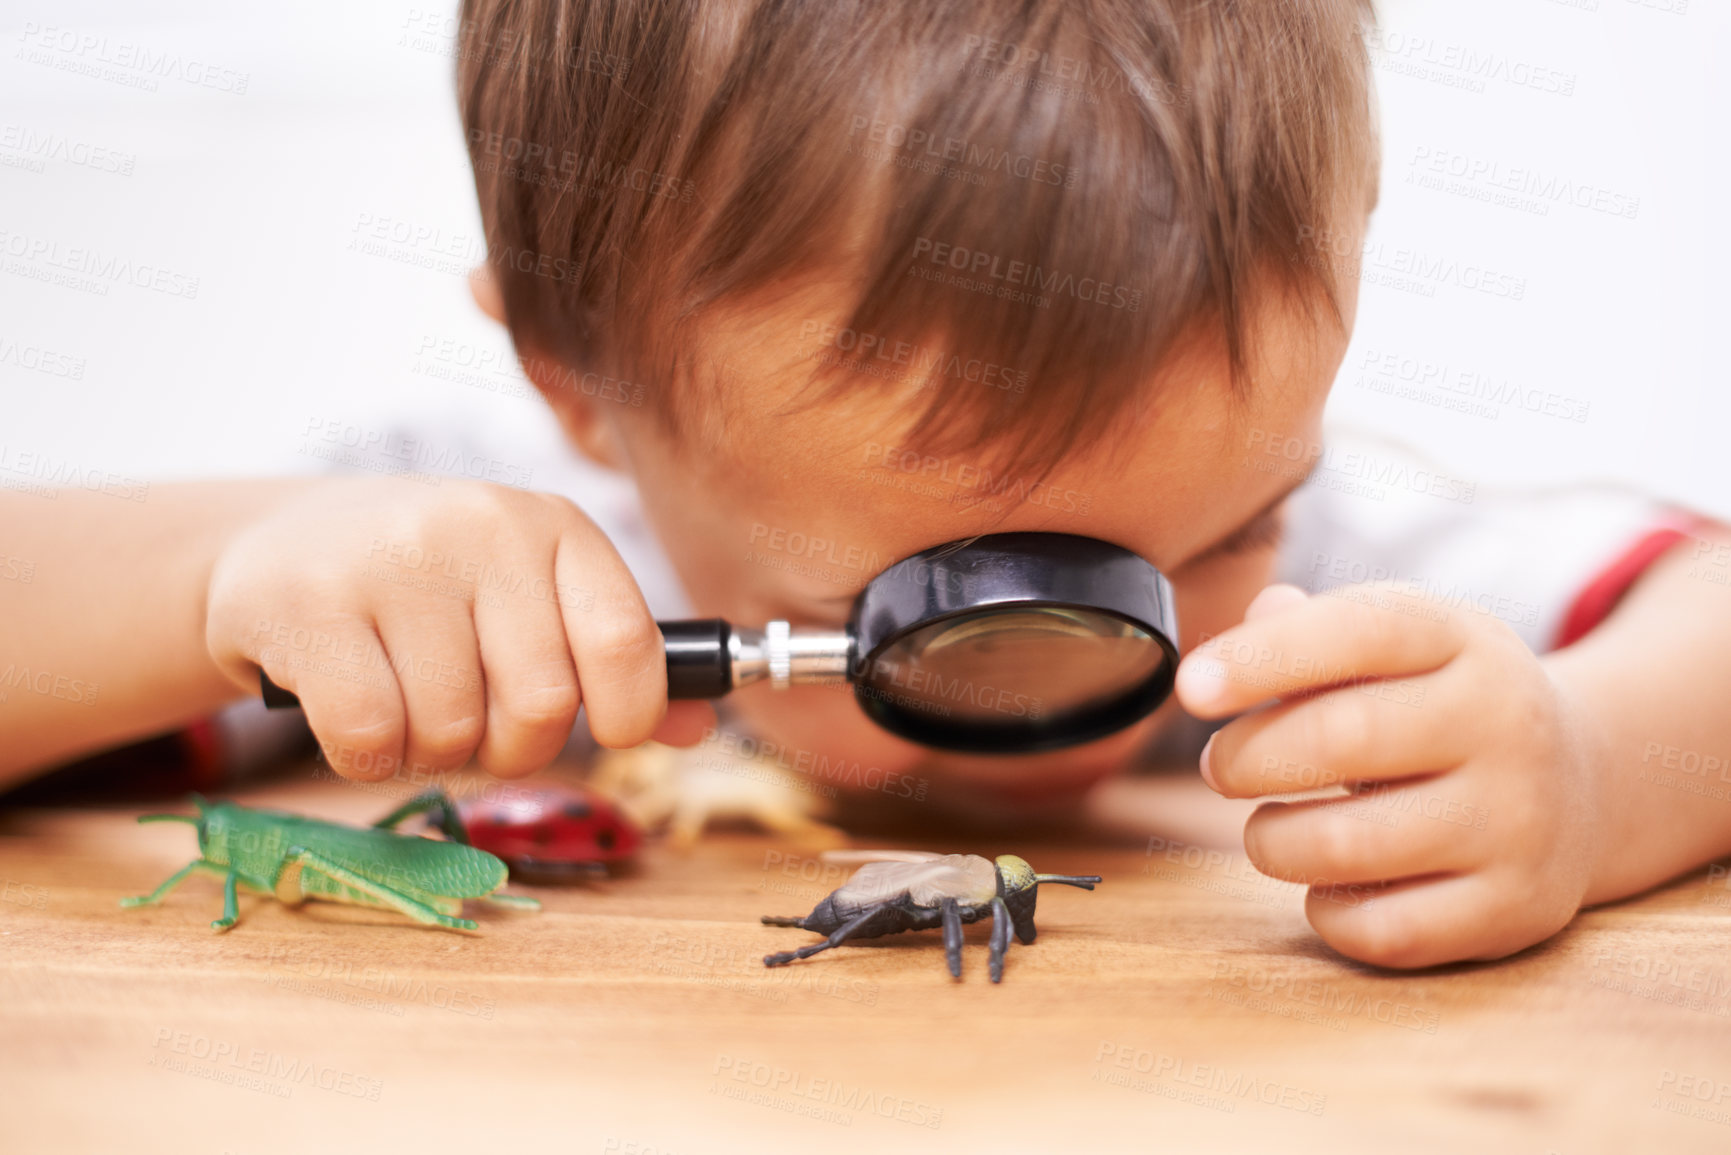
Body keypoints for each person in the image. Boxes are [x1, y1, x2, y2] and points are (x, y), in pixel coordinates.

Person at [4, 0, 1728, 970]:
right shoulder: (468, 565)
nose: (1078, 688)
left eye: (1225, 533)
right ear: (575, 394)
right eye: (922, 610)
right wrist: (210, 582)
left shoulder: (1321, 604)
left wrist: (1583, 764)